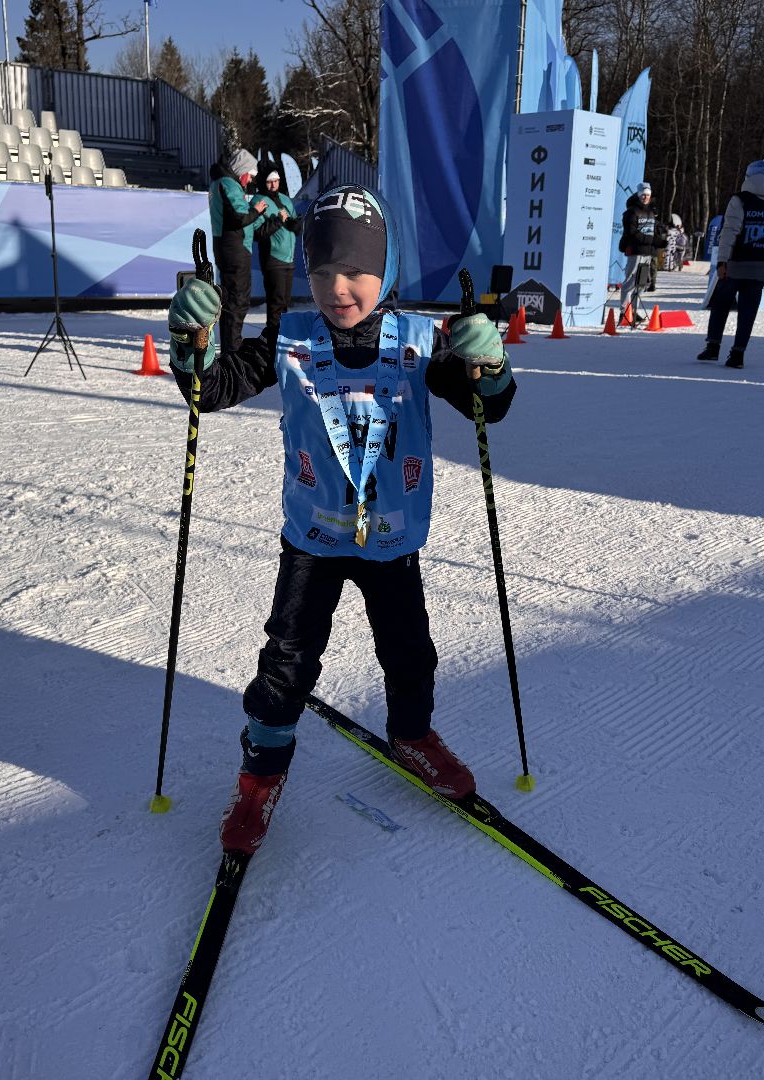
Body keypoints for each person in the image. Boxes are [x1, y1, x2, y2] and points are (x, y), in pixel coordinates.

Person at [165, 184, 518, 855]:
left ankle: (412, 736)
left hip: (392, 538)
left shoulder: (420, 341)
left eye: (356, 270)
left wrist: (489, 364)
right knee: (287, 659)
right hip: (313, 539)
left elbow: (487, 407)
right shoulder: (290, 338)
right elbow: (211, 390)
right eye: (322, 271)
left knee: (409, 652)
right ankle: (260, 777)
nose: (337, 289)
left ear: (387, 269)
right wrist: (191, 346)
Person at [697, 160, 764, 370]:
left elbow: (729, 232)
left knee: (721, 304)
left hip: (736, 264)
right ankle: (738, 354)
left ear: (747, 177)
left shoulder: (740, 200)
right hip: (762, 266)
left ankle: (713, 346)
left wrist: (722, 261)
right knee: (748, 312)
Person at [207, 147, 268, 349]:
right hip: (234, 250)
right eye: (250, 175)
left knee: (231, 300)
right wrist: (256, 210)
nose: (250, 180)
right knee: (237, 300)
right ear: (242, 170)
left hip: (227, 248)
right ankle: (232, 349)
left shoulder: (219, 183)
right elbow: (238, 218)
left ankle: (230, 346)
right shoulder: (229, 184)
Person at [254, 161, 301, 335]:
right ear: (263, 182)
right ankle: (273, 341)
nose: (274, 185)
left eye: (276, 181)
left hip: (289, 259)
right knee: (276, 304)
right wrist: (278, 221)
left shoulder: (285, 199)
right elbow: (257, 232)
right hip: (273, 259)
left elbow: (294, 225)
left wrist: (297, 224)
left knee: (284, 304)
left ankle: (282, 339)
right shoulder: (259, 200)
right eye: (269, 182)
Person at [618, 182, 667, 316]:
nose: (645, 197)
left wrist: (661, 242)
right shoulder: (631, 212)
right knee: (630, 282)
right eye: (643, 195)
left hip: (647, 252)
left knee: (642, 283)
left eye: (648, 195)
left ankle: (634, 312)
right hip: (635, 251)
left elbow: (653, 232)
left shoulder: (651, 212)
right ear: (639, 195)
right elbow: (631, 232)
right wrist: (650, 240)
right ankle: (624, 312)